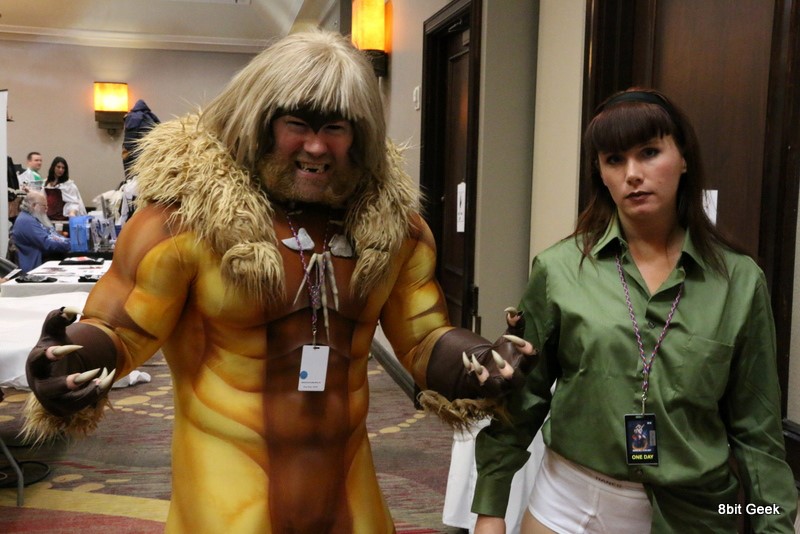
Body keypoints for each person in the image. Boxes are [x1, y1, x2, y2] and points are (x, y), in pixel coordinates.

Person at [21, 30, 536, 534]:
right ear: (260, 125)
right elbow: (121, 329)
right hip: (225, 471)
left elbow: (423, 337)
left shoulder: (394, 231)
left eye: (335, 127)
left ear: (360, 135)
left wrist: (478, 363)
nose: (316, 145)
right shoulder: (182, 222)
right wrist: (69, 361)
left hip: (346, 472)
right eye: (297, 124)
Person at [472, 88, 798, 533]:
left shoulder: (739, 283)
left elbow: (757, 431)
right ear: (601, 173)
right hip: (568, 503)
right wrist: (490, 511)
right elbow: (524, 400)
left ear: (684, 158)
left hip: (696, 514)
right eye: (614, 160)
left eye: (649, 152)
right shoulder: (559, 269)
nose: (632, 175)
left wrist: (772, 523)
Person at [10, 190, 71, 272]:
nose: (47, 209)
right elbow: (47, 243)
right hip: (35, 268)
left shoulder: (35, 217)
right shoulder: (26, 221)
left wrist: (67, 242)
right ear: (34, 205)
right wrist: (71, 244)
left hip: (45, 261)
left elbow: (53, 234)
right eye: (44, 206)